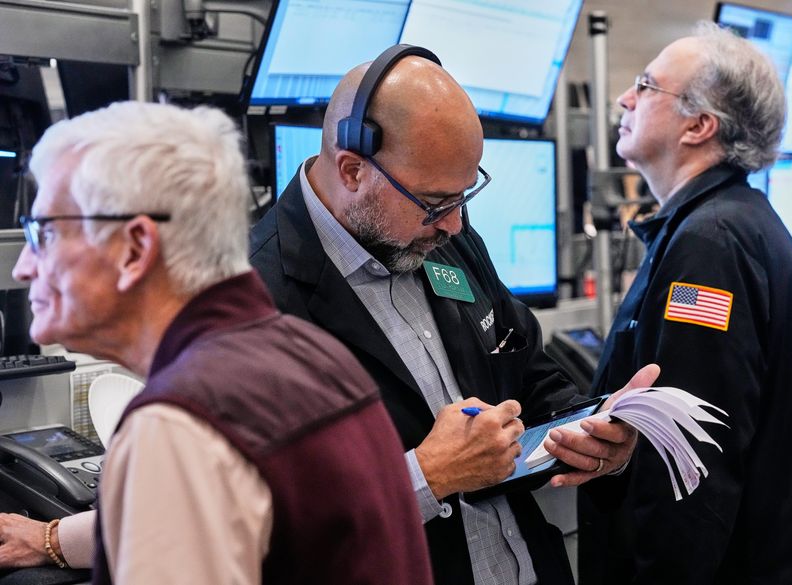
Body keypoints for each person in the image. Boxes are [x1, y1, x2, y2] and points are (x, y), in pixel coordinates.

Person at [249, 44, 659, 585]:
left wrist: (585, 430)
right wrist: (427, 476)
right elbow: (259, 522)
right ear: (352, 171)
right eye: (437, 202)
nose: (456, 225)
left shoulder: (441, 238)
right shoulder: (256, 297)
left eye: (464, 196)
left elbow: (524, 366)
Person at [2, 101, 432, 584]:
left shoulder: (179, 425)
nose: (24, 268)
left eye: (45, 234)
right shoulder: (314, 355)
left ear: (135, 249)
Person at [577, 22, 792, 585]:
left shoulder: (710, 246)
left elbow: (692, 468)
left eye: (646, 86)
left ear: (699, 126)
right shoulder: (726, 224)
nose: (624, 99)